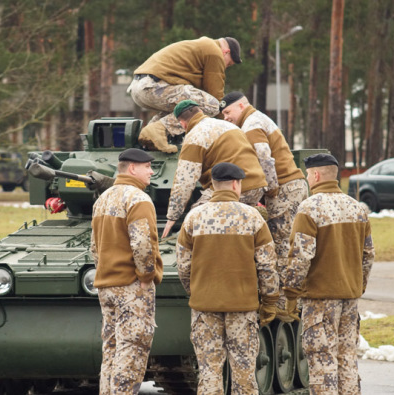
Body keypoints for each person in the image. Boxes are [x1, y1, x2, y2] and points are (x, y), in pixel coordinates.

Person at [176, 162, 279, 395]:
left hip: (205, 306)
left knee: (209, 371)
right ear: (235, 184)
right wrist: (270, 300)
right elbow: (267, 266)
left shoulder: (194, 218)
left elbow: (183, 266)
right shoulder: (252, 217)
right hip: (242, 307)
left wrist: (196, 291)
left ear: (212, 185)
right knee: (244, 373)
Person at [286, 153, 374, 395]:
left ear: (315, 175)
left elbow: (301, 256)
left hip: (320, 300)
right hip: (350, 298)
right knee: (346, 359)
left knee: (322, 363)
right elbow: (368, 255)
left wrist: (290, 293)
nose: (307, 178)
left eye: (307, 174)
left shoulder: (309, 207)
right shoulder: (357, 208)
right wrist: (357, 286)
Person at [220, 91, 309, 321]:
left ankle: (282, 305)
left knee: (281, 245)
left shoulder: (251, 123)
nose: (226, 117)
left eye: (228, 112)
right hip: (290, 185)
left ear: (241, 106)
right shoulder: (255, 119)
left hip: (284, 187)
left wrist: (268, 189)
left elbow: (264, 158)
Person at [90, 148, 164, 395]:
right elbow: (143, 244)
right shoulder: (138, 199)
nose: (152, 171)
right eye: (147, 167)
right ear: (133, 168)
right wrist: (145, 278)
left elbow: (94, 248)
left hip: (106, 286)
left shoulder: (103, 198)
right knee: (131, 351)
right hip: (132, 287)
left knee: (111, 349)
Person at [161, 100, 267, 239]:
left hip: (233, 187)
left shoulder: (194, 136)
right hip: (256, 186)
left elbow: (184, 181)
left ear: (183, 124)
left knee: (198, 217)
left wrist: (172, 217)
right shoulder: (229, 126)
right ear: (200, 112)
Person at [128, 37, 243, 153]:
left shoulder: (202, 46)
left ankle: (150, 137)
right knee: (212, 105)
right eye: (228, 64)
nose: (225, 68)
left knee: (184, 106)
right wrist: (228, 125)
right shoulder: (215, 52)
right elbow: (215, 93)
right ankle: (159, 128)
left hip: (140, 87)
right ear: (226, 52)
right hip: (154, 87)